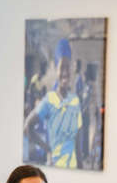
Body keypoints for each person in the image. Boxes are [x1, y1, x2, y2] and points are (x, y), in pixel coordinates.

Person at [25, 40, 82, 170]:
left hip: (73, 169)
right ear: (56, 70)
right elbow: (28, 127)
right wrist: (48, 150)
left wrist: (81, 165)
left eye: (68, 67)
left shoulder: (75, 101)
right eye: (62, 67)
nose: (65, 73)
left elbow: (77, 139)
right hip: (55, 168)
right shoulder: (49, 99)